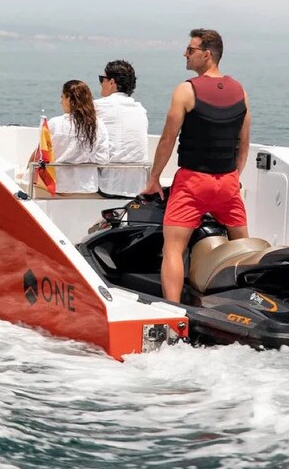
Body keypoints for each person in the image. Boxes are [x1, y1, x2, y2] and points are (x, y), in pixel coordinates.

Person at [142, 29, 250, 303]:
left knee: (173, 249)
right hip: (228, 183)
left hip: (193, 183)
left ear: (207, 54)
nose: (185, 54)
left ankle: (174, 310)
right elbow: (244, 142)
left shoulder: (186, 90)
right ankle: (243, 303)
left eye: (190, 50)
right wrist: (235, 176)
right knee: (243, 248)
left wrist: (154, 179)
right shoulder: (240, 91)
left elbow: (168, 139)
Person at [94, 60, 149, 197]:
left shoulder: (98, 106)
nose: (101, 83)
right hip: (138, 187)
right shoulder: (140, 110)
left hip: (109, 187)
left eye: (102, 79)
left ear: (112, 82)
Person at [46, 80, 111, 194]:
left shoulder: (54, 123)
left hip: (58, 185)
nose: (61, 102)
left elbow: (43, 155)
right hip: (87, 187)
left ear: (69, 99)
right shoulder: (99, 125)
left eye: (62, 97)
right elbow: (102, 159)